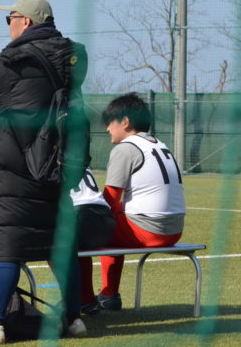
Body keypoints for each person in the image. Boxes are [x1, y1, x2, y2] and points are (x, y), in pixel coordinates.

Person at [0, 0, 89, 345]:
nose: (9, 25)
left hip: (15, 165)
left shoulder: (16, 58)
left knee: (7, 243)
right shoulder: (73, 58)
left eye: (10, 18)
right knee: (59, 244)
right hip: (56, 163)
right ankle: (74, 317)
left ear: (26, 21)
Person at [79, 93, 185, 312]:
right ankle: (109, 295)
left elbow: (109, 200)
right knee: (112, 221)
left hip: (149, 231)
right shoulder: (160, 144)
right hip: (175, 230)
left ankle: (87, 300)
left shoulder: (125, 148)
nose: (107, 128)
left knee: (84, 232)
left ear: (125, 122)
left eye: (110, 122)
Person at [71, 168, 116, 314]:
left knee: (52, 244)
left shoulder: (51, 158)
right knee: (81, 249)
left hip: (81, 215)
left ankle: (71, 299)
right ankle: (87, 300)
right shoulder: (79, 158)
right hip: (106, 220)